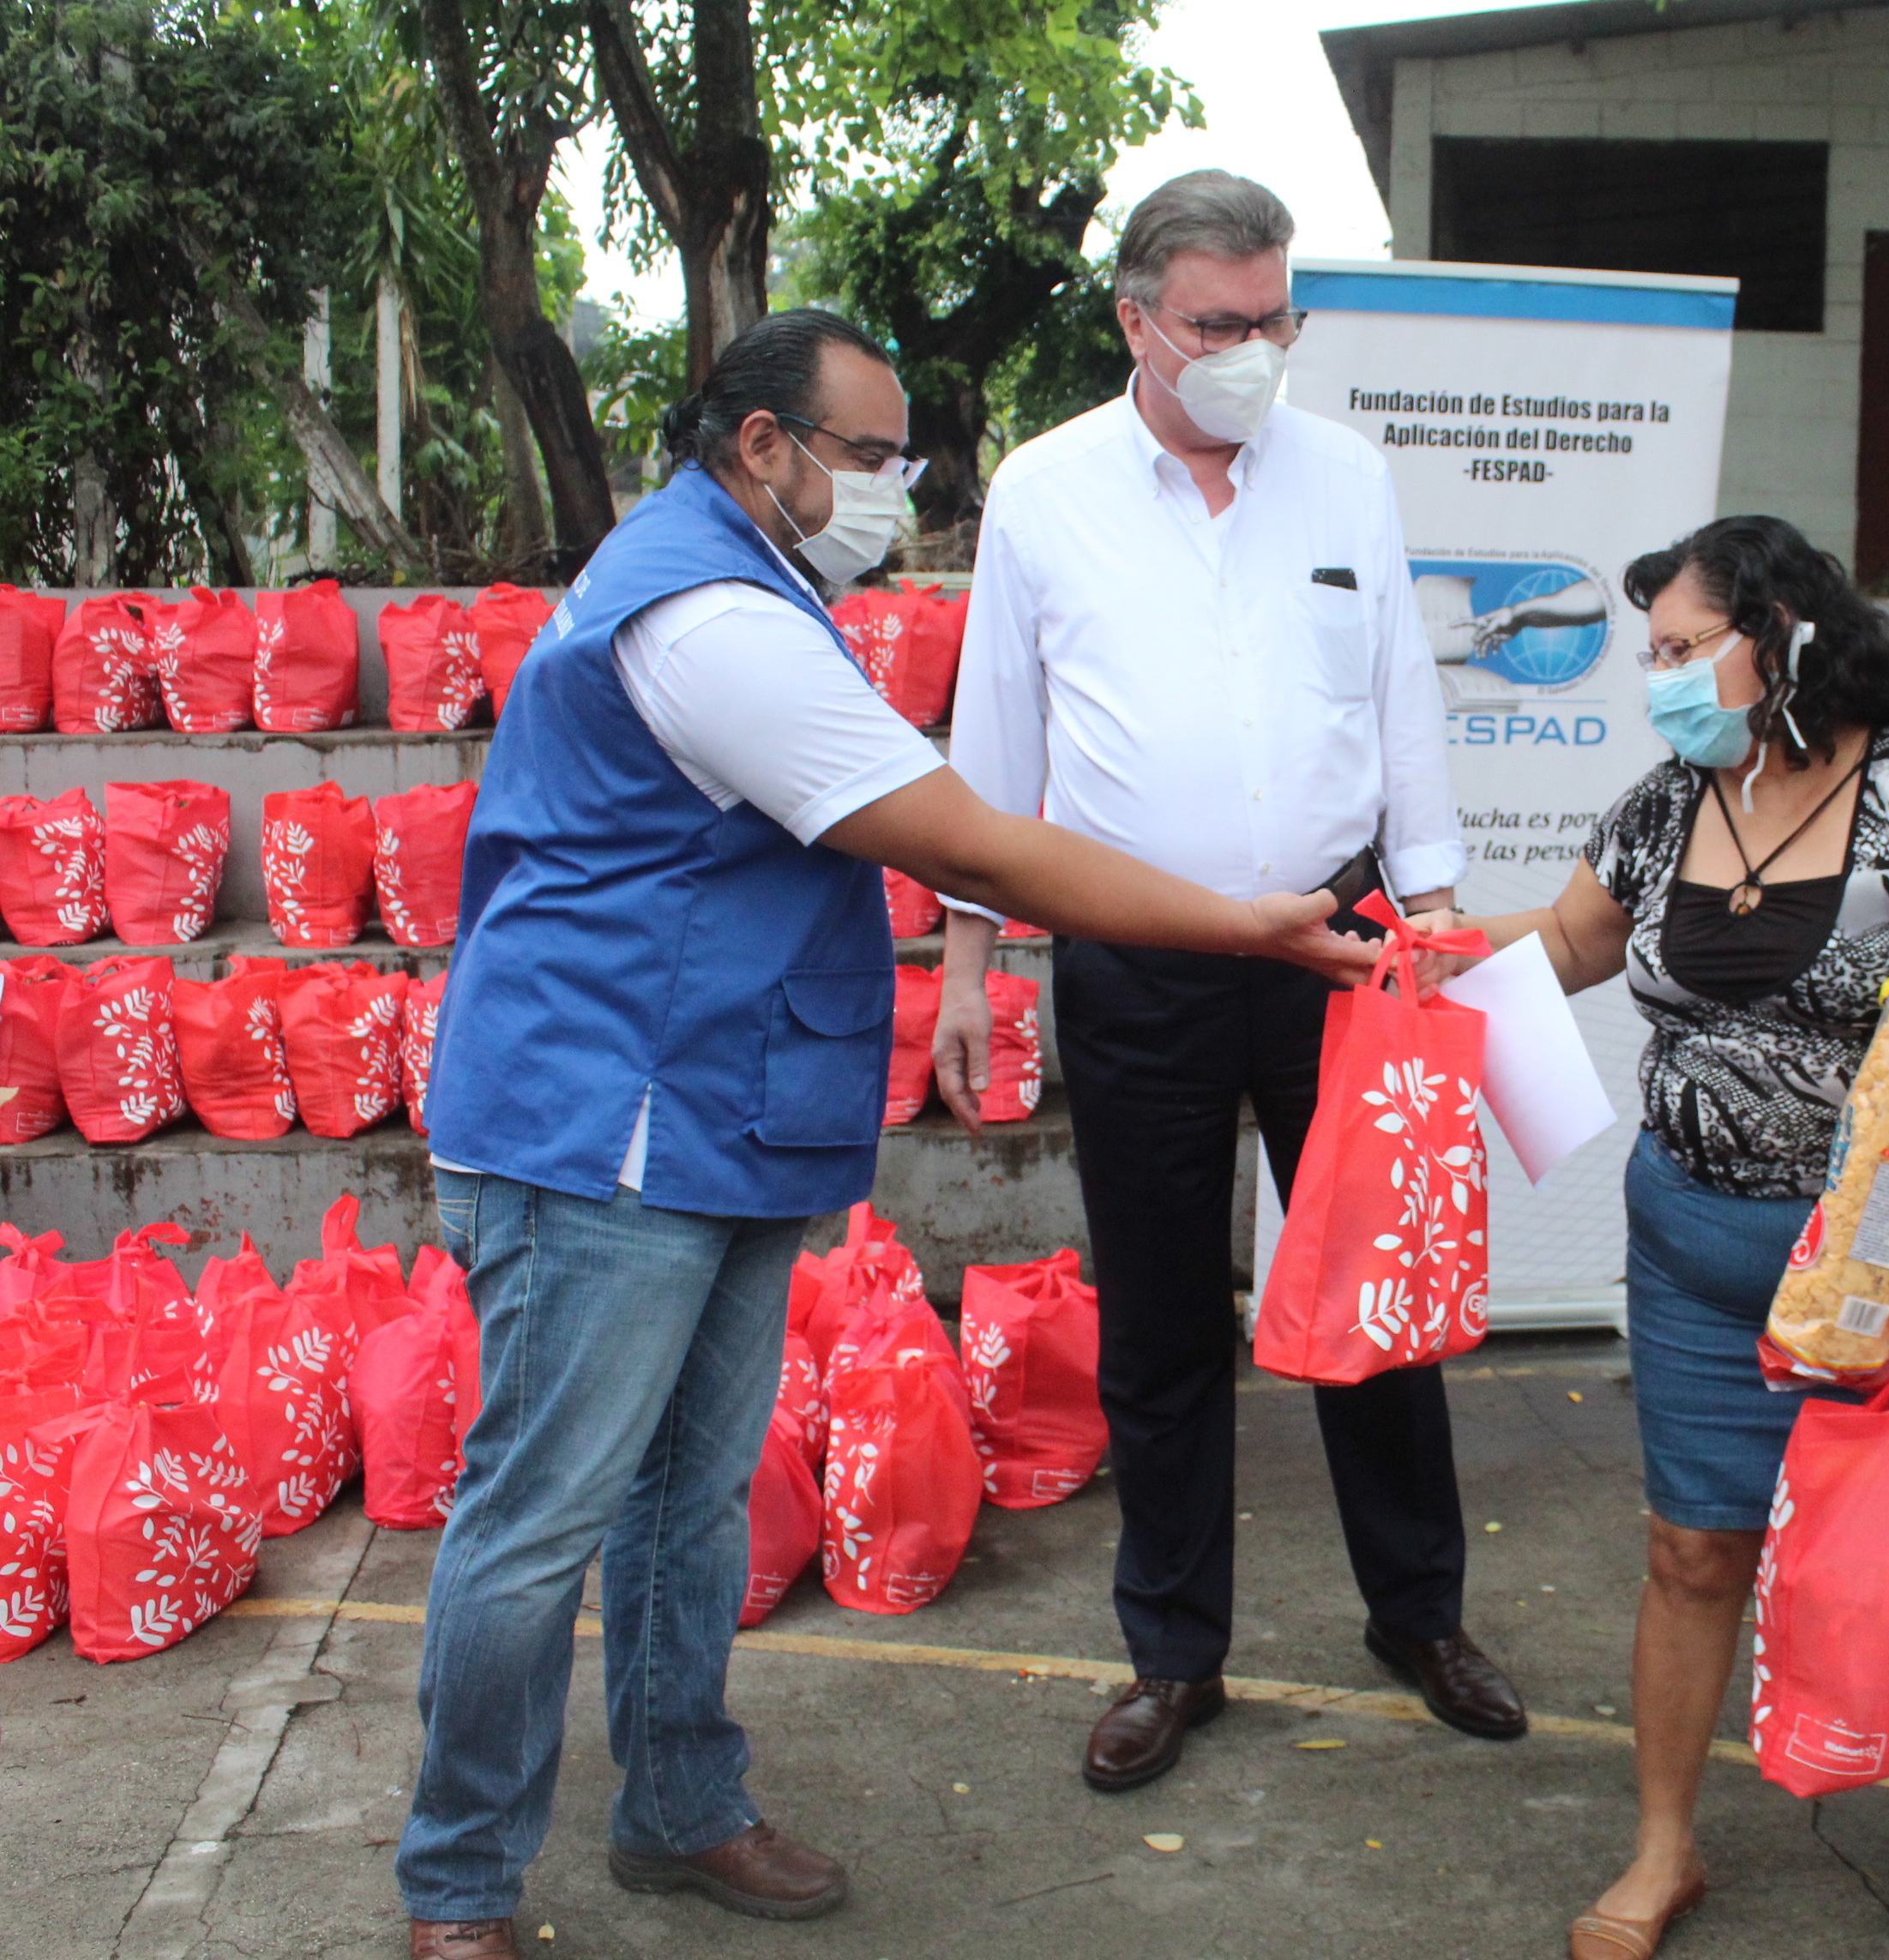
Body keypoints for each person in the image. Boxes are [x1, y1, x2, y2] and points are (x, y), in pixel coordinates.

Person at [400, 308, 1374, 1960]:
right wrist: (1239, 924)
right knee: (541, 1520)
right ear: (759, 445)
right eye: (868, 456)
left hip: (708, 1105)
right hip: (608, 1121)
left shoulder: (742, 578)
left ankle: (680, 1805)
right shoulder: (712, 619)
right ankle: (459, 1888)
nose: (894, 494)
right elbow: (968, 845)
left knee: (690, 1500)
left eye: (905, 462)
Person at [1416, 516, 1889, 1960]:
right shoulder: (1668, 803)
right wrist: (1425, 951)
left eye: (1679, 648)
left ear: (1777, 635)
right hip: (1693, 1253)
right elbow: (1576, 942)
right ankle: (1665, 1848)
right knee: (1690, 1550)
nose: (1656, 676)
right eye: (1649, 652)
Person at [940, 170, 1526, 1795]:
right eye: (1219, 324)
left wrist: (1432, 911)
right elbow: (995, 740)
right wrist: (969, 964)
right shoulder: (1046, 490)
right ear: (1135, 318)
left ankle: (1418, 1615)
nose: (1254, 350)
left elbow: (1400, 697)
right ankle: (1172, 1652)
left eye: (1278, 318)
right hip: (1139, 950)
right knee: (1161, 1317)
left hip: (1342, 949)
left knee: (1375, 1298)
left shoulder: (1343, 474)